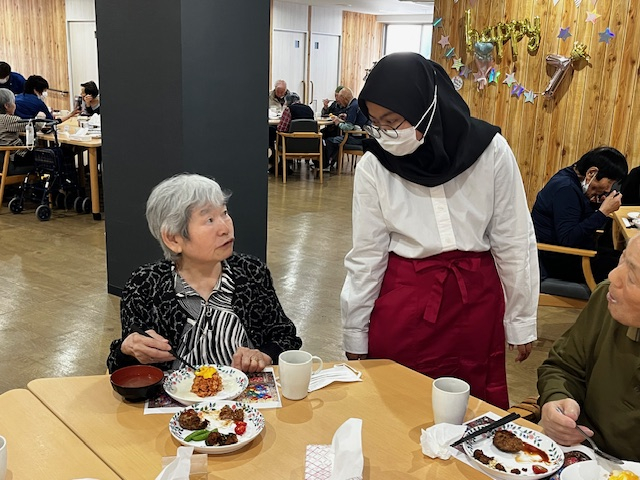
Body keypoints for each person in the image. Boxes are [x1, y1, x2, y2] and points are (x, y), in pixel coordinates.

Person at [340, 52, 538, 409]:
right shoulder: (374, 166)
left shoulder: (490, 150)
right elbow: (367, 255)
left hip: (474, 299)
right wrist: (356, 329)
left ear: (426, 107)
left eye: (393, 121)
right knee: (399, 404)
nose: (386, 134)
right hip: (406, 297)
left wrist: (521, 318)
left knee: (472, 406)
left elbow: (514, 239)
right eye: (375, 123)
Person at [107, 173, 302, 373]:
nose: (225, 228)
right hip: (177, 392)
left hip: (243, 390)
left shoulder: (251, 272)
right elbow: (120, 369)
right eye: (209, 219)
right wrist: (127, 350)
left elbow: (285, 336)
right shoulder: (144, 285)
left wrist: (263, 354)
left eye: (224, 213)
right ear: (173, 239)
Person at [537, 235, 640, 461]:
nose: (613, 276)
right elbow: (563, 367)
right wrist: (557, 398)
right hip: (582, 454)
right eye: (622, 258)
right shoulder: (606, 299)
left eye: (632, 277)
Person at [531, 147, 628, 283]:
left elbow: (575, 217)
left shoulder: (570, 177)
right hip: (557, 260)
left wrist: (595, 206)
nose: (608, 189)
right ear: (591, 173)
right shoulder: (566, 188)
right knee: (629, 268)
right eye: (610, 182)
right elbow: (568, 239)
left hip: (572, 254)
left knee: (627, 258)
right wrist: (603, 212)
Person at [323, 87, 368, 171]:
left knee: (330, 140)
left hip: (358, 138)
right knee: (334, 138)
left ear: (344, 98)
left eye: (340, 100)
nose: (340, 103)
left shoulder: (352, 107)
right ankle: (330, 162)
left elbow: (348, 127)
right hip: (364, 136)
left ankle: (325, 165)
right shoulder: (356, 103)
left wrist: (338, 122)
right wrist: (346, 117)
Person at [0, 88, 35, 175]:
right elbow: (32, 125)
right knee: (49, 155)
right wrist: (41, 118)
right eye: (14, 102)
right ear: (6, 106)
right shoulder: (6, 119)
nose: (15, 105)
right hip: (12, 159)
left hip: (3, 163)